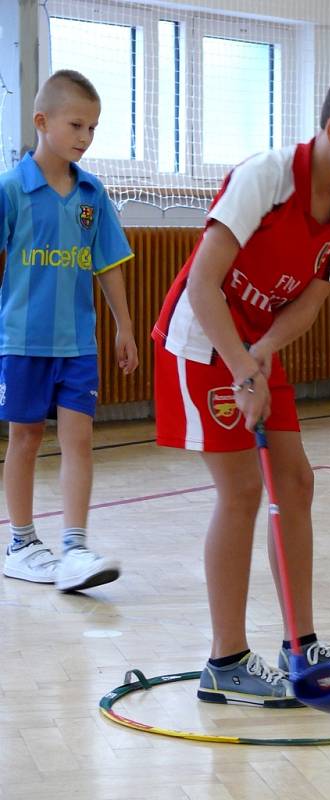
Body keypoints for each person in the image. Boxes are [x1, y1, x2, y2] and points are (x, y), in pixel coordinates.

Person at [152, 56, 330, 707]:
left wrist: (266, 351)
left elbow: (312, 298)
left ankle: (300, 646)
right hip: (201, 340)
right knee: (243, 491)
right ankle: (225, 661)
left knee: (296, 482)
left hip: (254, 347)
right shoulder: (267, 176)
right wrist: (242, 364)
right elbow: (202, 283)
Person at [0, 70, 138, 592]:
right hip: (22, 341)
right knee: (26, 438)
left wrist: (124, 327)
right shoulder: (11, 190)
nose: (84, 137)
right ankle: (21, 543)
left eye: (93, 128)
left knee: (80, 440)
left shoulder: (91, 193)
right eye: (76, 124)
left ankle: (75, 547)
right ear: (42, 121)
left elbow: (108, 264)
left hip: (79, 343)